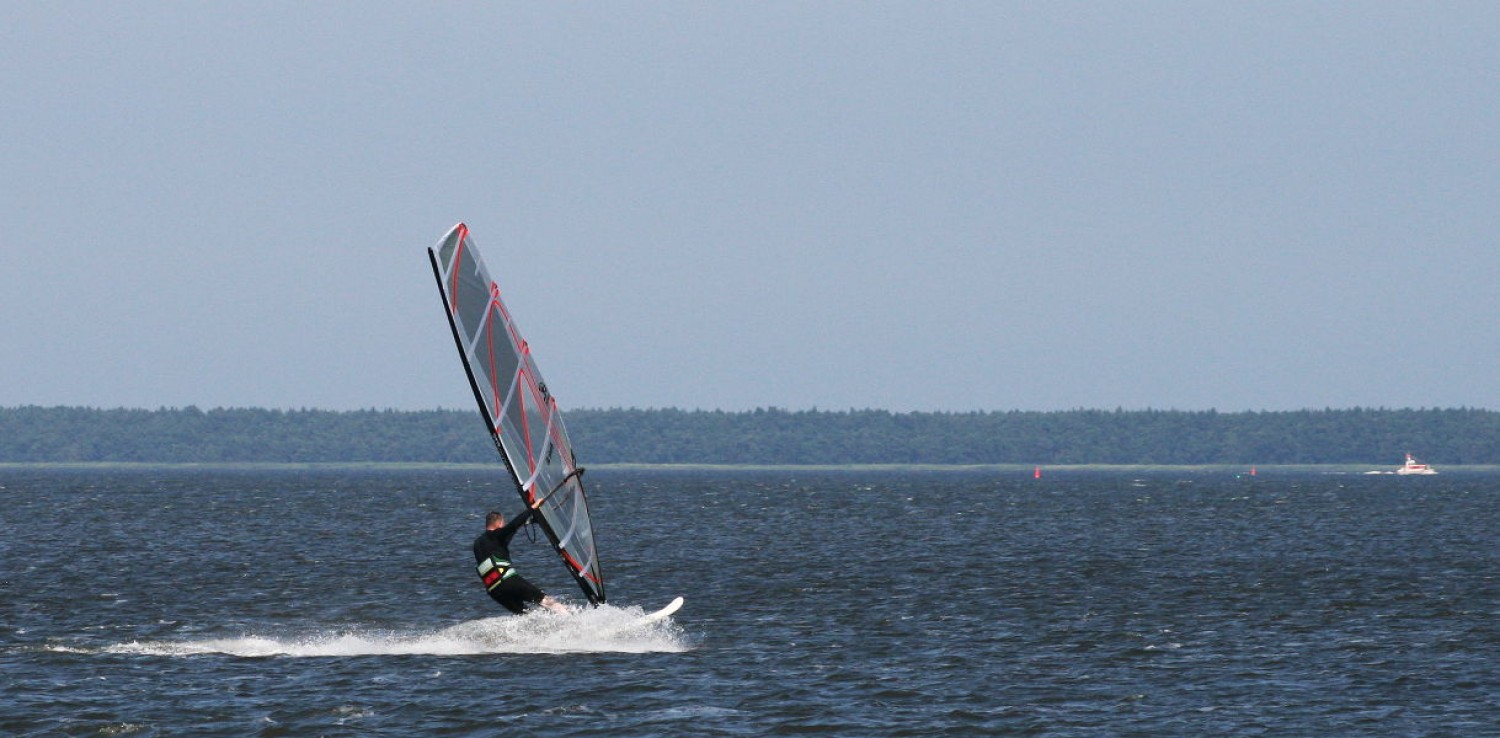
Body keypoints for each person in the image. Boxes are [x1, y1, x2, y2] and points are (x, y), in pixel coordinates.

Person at [472, 496, 568, 615]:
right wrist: (533, 507)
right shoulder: (497, 535)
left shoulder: (477, 543)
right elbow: (513, 525)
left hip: (495, 591)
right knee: (546, 601)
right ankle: (572, 619)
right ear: (500, 523)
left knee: (524, 615)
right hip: (508, 581)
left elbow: (507, 534)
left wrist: (530, 521)